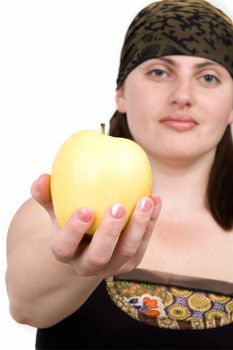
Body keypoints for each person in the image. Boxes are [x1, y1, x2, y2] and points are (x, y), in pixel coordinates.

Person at [5, 0, 233, 348]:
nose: (183, 96)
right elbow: (25, 306)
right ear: (122, 93)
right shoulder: (57, 208)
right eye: (159, 71)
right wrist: (71, 264)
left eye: (208, 77)